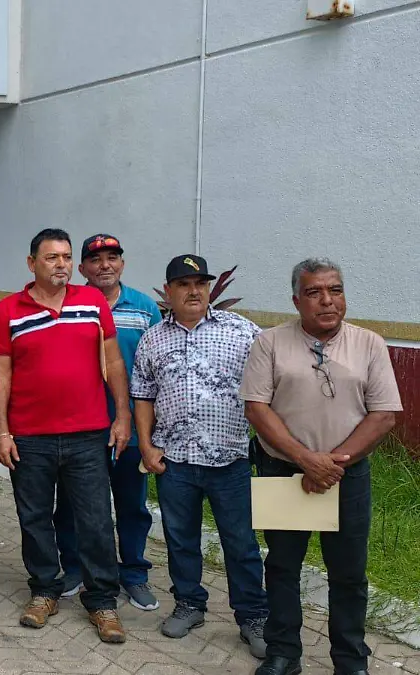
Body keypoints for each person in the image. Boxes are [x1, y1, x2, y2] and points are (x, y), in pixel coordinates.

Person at [242, 258, 401, 675]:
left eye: (335, 290)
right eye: (314, 292)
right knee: (282, 566)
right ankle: (283, 653)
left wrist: (330, 465)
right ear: (297, 301)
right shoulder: (270, 343)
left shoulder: (369, 344)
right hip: (284, 472)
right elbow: (257, 409)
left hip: (346, 476)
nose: (327, 301)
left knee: (348, 573)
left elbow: (384, 415)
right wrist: (305, 459)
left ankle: (350, 660)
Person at [0, 228, 130, 644]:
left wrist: (122, 415)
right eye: (52, 257)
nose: (62, 264)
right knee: (34, 518)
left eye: (66, 257)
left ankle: (102, 600)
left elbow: (113, 362)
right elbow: (0, 374)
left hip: (88, 434)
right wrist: (2, 431)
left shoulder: (92, 302)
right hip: (30, 437)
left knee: (96, 520)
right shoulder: (8, 310)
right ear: (32, 263)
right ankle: (45, 590)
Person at [130, 254, 269, 657]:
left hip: (230, 460)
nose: (194, 291)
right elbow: (143, 395)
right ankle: (190, 604)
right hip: (174, 461)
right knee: (180, 540)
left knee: (240, 543)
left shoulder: (242, 331)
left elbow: (273, 379)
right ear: (169, 290)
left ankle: (253, 616)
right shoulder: (153, 338)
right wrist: (146, 446)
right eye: (184, 284)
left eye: (200, 284)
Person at [54, 234, 162, 609]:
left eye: (113, 258)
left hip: (130, 426)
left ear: (122, 264)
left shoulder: (145, 309)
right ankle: (74, 568)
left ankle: (133, 573)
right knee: (71, 504)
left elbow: (157, 368)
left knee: (131, 504)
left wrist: (149, 427)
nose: (105, 265)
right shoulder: (67, 304)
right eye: (96, 259)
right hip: (79, 426)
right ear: (82, 268)